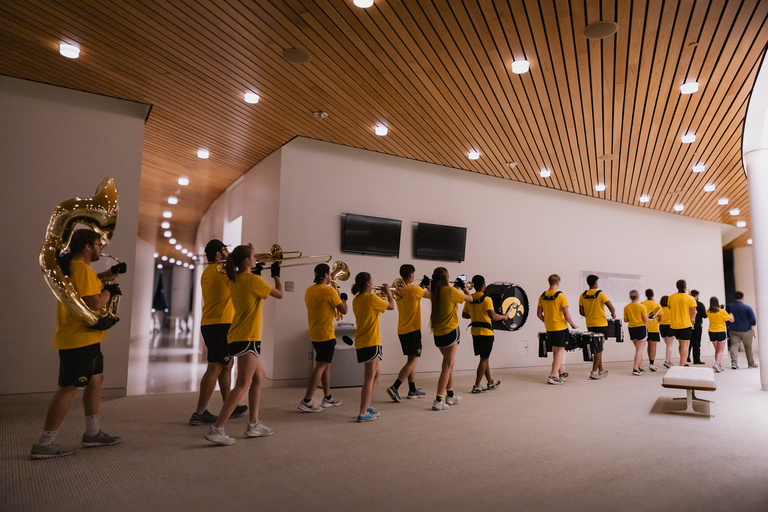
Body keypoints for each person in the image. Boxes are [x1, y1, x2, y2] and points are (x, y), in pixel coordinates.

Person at [31, 229, 126, 459]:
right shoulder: (81, 269)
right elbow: (94, 302)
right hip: (79, 339)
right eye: (98, 244)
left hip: (86, 338)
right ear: (87, 246)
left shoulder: (77, 268)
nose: (100, 249)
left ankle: (92, 433)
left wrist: (110, 274)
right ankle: (45, 443)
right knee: (68, 389)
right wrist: (109, 292)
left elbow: (89, 284)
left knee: (96, 380)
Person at [205, 244, 283, 445]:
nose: (256, 258)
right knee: (242, 384)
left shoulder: (235, 279)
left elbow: (250, 286)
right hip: (248, 337)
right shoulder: (253, 280)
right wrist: (276, 274)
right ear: (247, 261)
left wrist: (256, 272)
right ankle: (217, 428)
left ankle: (253, 424)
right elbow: (280, 294)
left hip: (239, 336)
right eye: (254, 256)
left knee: (259, 376)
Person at [189, 239, 247, 426]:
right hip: (219, 325)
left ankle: (229, 405)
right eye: (225, 250)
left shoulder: (209, 271)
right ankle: (200, 412)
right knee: (215, 367)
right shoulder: (219, 271)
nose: (228, 253)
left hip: (216, 324)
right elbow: (241, 284)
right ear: (217, 255)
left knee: (226, 365)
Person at [299, 263, 348, 412]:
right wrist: (344, 298)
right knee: (320, 366)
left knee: (326, 365)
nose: (330, 276)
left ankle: (328, 398)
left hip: (315, 333)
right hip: (326, 334)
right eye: (330, 274)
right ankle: (307, 400)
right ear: (326, 275)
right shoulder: (329, 292)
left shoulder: (309, 290)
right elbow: (344, 310)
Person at [351, 272, 394, 422]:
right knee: (369, 378)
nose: (372, 282)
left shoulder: (356, 300)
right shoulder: (371, 298)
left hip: (363, 342)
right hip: (371, 342)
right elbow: (391, 306)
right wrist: (388, 292)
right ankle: (362, 412)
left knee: (376, 375)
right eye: (371, 280)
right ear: (368, 283)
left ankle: (368, 406)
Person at [430, 267, 473, 410]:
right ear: (445, 278)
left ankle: (450, 395)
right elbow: (470, 298)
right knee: (447, 366)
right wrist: (464, 288)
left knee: (451, 364)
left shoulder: (434, 292)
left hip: (437, 334)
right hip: (450, 332)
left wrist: (456, 288)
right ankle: (438, 400)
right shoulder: (451, 291)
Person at [386, 264, 430, 402]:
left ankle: (412, 390)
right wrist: (428, 285)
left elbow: (413, 296)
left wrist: (421, 285)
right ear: (411, 275)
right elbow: (432, 296)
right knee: (413, 360)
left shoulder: (399, 290)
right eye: (414, 274)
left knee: (411, 360)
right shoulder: (413, 288)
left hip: (402, 330)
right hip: (413, 330)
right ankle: (395, 387)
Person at [462, 275, 508, 393]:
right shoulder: (487, 299)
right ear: (483, 285)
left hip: (475, 332)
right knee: (484, 359)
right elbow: (493, 316)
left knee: (484, 357)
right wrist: (504, 316)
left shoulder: (470, 298)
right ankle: (477, 385)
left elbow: (464, 315)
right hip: (486, 333)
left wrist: (475, 313)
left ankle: (490, 382)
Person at [537, 274, 578, 385]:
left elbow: (539, 314)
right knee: (560, 351)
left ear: (549, 282)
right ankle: (553, 376)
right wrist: (573, 324)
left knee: (556, 351)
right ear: (558, 283)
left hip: (550, 328)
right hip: (560, 328)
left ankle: (561, 373)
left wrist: (548, 322)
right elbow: (567, 315)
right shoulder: (561, 296)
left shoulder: (542, 296)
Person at [577, 274, 616, 380]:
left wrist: (590, 315)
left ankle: (601, 370)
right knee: (598, 350)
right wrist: (613, 315)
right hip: (602, 325)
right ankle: (594, 372)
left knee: (597, 348)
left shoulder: (583, 295)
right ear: (595, 283)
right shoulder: (600, 294)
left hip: (590, 325)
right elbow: (612, 308)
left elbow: (581, 312)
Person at [668, 280, 697, 367]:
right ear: (685, 287)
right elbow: (693, 313)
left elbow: (670, 308)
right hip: (685, 324)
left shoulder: (671, 297)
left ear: (677, 287)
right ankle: (682, 364)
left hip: (675, 324)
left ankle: (684, 362)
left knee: (681, 344)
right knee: (685, 345)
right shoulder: (690, 298)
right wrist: (693, 321)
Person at [727, 291, 758, 369]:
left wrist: (728, 325)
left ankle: (734, 363)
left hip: (733, 329)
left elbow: (726, 317)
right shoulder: (747, 307)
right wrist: (752, 326)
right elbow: (753, 320)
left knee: (734, 345)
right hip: (746, 330)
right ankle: (751, 364)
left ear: (734, 297)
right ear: (742, 297)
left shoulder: (729, 306)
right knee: (748, 347)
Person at [624, 290, 649, 375]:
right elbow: (646, 320)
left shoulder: (626, 307)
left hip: (631, 329)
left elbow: (625, 320)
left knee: (639, 350)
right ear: (638, 296)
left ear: (630, 297)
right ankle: (635, 368)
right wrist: (650, 319)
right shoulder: (642, 307)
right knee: (639, 350)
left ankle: (640, 367)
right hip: (641, 328)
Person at [706, 297, 733, 373]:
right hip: (720, 332)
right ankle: (717, 364)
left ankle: (719, 366)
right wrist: (730, 314)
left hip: (711, 332)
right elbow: (731, 320)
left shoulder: (708, 311)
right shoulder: (722, 311)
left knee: (717, 350)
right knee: (721, 351)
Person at [641, 289, 662, 371]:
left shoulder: (642, 304)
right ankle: (652, 363)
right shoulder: (657, 305)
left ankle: (642, 364)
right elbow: (660, 318)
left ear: (646, 295)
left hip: (644, 327)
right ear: (653, 295)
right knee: (653, 346)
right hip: (654, 328)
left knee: (647, 345)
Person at [687, 290, 707, 364]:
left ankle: (686, 357)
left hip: (688, 325)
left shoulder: (687, 304)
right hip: (697, 326)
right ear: (697, 296)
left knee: (687, 342)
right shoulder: (700, 304)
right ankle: (696, 360)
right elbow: (705, 316)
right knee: (697, 343)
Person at [658, 295, 676, 368]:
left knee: (668, 346)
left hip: (662, 327)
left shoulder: (659, 309)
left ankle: (669, 361)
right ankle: (667, 361)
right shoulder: (671, 309)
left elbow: (658, 319)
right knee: (669, 346)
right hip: (670, 326)